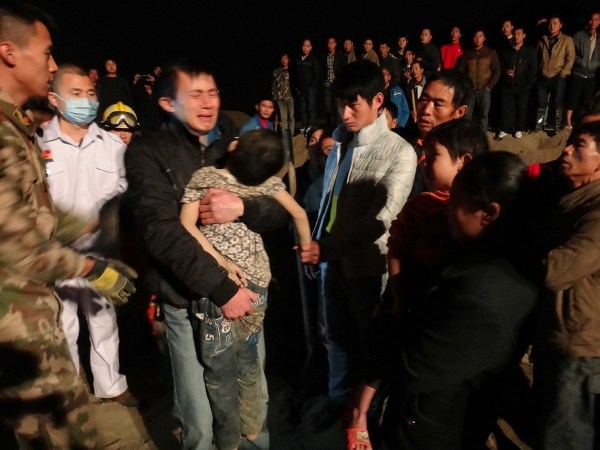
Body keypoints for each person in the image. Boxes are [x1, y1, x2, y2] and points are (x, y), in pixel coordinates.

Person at [125, 58, 287, 449]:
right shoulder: (147, 153)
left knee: (250, 394)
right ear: (168, 103)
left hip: (243, 295)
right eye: (195, 94)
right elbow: (162, 232)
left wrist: (244, 207)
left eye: (212, 92)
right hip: (185, 300)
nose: (208, 101)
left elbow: (278, 210)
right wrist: (222, 287)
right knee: (198, 413)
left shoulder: (229, 147)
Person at [0, 2, 136, 447]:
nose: (53, 64)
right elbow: (15, 240)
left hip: (48, 288)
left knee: (101, 327)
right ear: (8, 52)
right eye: (46, 53)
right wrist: (90, 267)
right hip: (22, 308)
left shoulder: (18, 129)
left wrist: (96, 229)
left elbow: (38, 211)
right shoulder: (20, 135)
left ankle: (110, 387)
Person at [346, 151, 538, 450]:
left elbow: (410, 367)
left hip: (433, 430)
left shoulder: (482, 299)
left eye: (457, 202)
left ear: (490, 213)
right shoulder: (477, 259)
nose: (446, 210)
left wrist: (380, 323)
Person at [301, 60, 417, 431]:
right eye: (340, 105)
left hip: (367, 268)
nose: (345, 114)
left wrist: (326, 249)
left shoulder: (400, 152)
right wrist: (319, 243)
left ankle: (367, 415)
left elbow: (381, 220)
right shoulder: (339, 144)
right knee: (334, 339)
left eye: (353, 105)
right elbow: (329, 202)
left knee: (370, 345)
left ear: (378, 101)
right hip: (331, 263)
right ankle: (339, 402)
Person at [180, 128, 311, 450]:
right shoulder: (267, 183)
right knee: (248, 358)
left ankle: (228, 439)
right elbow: (298, 213)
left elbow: (186, 225)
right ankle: (252, 427)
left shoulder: (204, 178)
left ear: (235, 146)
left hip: (219, 289)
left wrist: (220, 260)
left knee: (219, 369)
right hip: (257, 285)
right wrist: (306, 248)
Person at [38, 64, 138, 408]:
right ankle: (70, 389)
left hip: (101, 252)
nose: (86, 100)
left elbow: (128, 196)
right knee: (63, 323)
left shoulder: (112, 146)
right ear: (54, 98)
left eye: (91, 93)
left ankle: (110, 385)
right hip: (57, 254)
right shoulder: (38, 144)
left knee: (103, 319)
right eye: (76, 93)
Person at [534, 121, 600, 449]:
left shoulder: (597, 213)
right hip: (559, 334)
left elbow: (556, 270)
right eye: (570, 142)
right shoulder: (573, 200)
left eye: (579, 145)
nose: (567, 149)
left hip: (580, 345)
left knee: (564, 436)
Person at [386, 118, 489, 318]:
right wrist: (399, 300)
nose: (425, 163)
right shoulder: (421, 206)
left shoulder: (480, 211)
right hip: (419, 302)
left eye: (433, 155)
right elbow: (396, 250)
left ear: (464, 162)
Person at [535, 15, 575, 134]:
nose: (552, 26)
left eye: (555, 23)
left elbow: (570, 57)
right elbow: (538, 57)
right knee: (541, 102)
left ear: (560, 25)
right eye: (550, 24)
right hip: (543, 75)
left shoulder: (567, 40)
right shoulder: (542, 39)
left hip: (558, 75)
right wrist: (539, 71)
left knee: (557, 102)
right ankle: (538, 126)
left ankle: (556, 126)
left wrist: (563, 73)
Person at [456, 27, 501, 133]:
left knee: (483, 115)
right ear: (473, 38)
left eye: (480, 36)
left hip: (484, 89)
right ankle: (467, 137)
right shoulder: (466, 54)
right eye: (475, 36)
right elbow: (460, 73)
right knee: (467, 115)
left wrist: (489, 86)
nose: (477, 39)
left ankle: (482, 137)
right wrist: (465, 87)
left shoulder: (491, 52)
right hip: (470, 90)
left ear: (484, 38)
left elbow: (497, 71)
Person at [497, 25, 538, 139]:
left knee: (521, 107)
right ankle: (505, 128)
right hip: (508, 84)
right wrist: (506, 71)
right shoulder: (507, 50)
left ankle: (519, 129)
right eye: (515, 34)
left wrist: (528, 84)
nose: (516, 36)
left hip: (523, 85)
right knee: (506, 107)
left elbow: (533, 69)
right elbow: (500, 66)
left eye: (519, 34)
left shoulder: (530, 51)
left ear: (524, 35)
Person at [565, 11, 600, 128]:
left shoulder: (599, 38)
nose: (593, 22)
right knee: (573, 97)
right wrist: (581, 62)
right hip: (578, 72)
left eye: (596, 19)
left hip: (591, 74)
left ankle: (583, 122)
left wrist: (595, 64)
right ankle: (568, 122)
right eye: (591, 19)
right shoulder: (579, 35)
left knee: (587, 100)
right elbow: (572, 53)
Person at [296, 39, 321, 133]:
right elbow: (296, 73)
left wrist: (312, 86)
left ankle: (310, 125)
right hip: (301, 88)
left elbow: (317, 74)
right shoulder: (298, 59)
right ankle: (303, 125)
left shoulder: (314, 59)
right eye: (304, 45)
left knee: (310, 107)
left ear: (310, 48)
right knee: (302, 107)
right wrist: (297, 86)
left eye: (307, 46)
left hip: (311, 88)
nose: (305, 48)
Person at [321, 36, 346, 127]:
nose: (330, 45)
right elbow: (322, 70)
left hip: (336, 84)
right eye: (329, 43)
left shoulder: (339, 55)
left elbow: (343, 69)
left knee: (337, 105)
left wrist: (340, 81)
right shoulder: (324, 55)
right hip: (327, 84)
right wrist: (323, 80)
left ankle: (338, 125)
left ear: (335, 44)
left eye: (332, 43)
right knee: (327, 106)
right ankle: (329, 125)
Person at [272, 52, 295, 135]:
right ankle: (285, 136)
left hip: (290, 97)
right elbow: (274, 85)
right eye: (282, 58)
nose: (283, 60)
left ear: (288, 60)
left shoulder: (292, 71)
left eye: (285, 58)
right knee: (283, 118)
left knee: (291, 117)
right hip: (280, 99)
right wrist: (275, 97)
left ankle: (291, 135)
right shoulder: (276, 72)